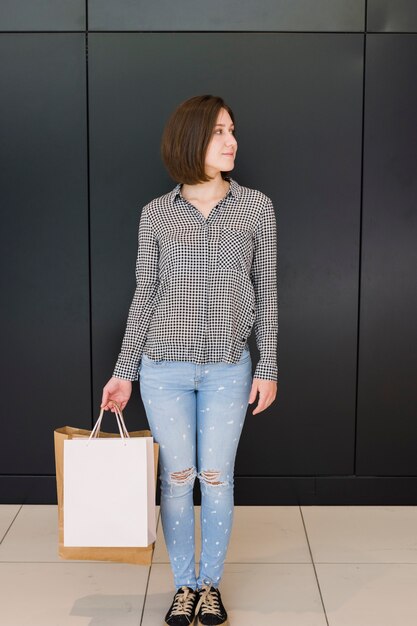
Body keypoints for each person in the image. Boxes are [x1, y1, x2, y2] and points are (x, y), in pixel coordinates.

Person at [101, 94, 278, 626]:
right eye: (220, 132)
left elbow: (265, 290)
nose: (232, 142)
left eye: (233, 131)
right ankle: (183, 586)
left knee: (216, 476)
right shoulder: (156, 214)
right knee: (177, 478)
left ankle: (210, 585)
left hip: (229, 369)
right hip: (163, 370)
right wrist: (124, 371)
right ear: (190, 140)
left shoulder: (257, 207)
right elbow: (145, 295)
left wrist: (268, 365)